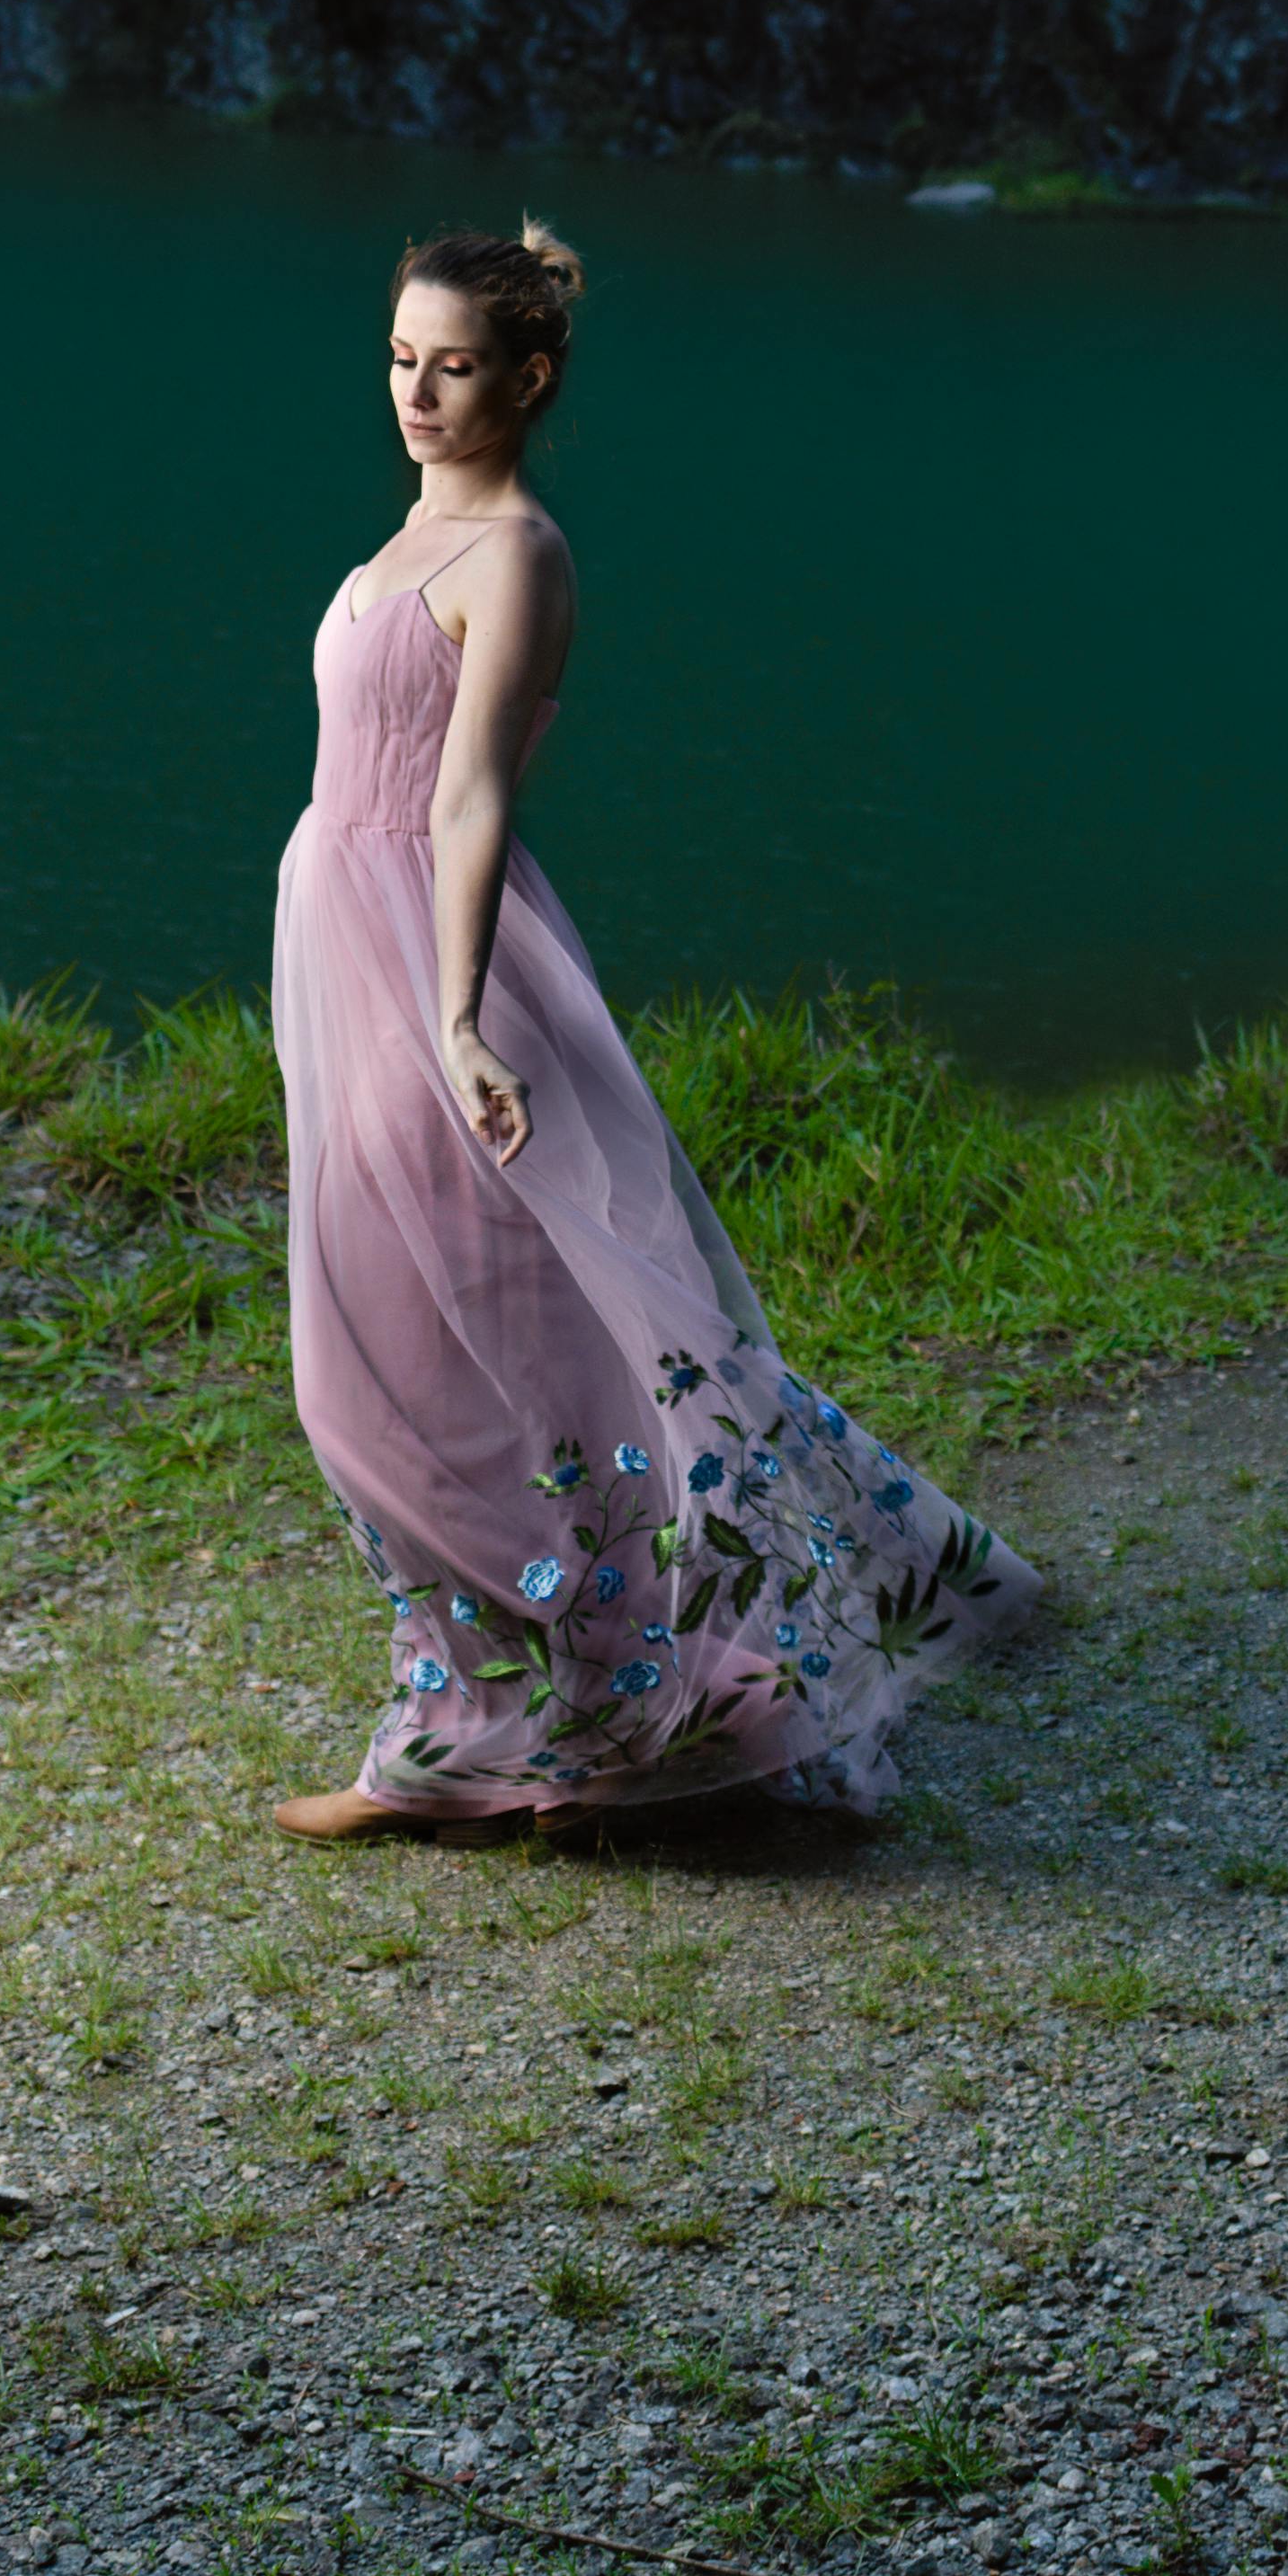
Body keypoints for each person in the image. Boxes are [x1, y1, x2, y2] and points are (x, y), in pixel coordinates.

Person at [264, 221, 1037, 1840]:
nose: (415, 390)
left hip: (437, 956)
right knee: (378, 1349)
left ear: (529, 377)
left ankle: (589, 1730)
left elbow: (467, 795)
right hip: (342, 945)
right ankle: (521, 1715)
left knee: (519, 1334)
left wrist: (458, 1017)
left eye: (454, 364)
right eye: (400, 357)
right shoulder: (411, 533)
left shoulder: (517, 555)